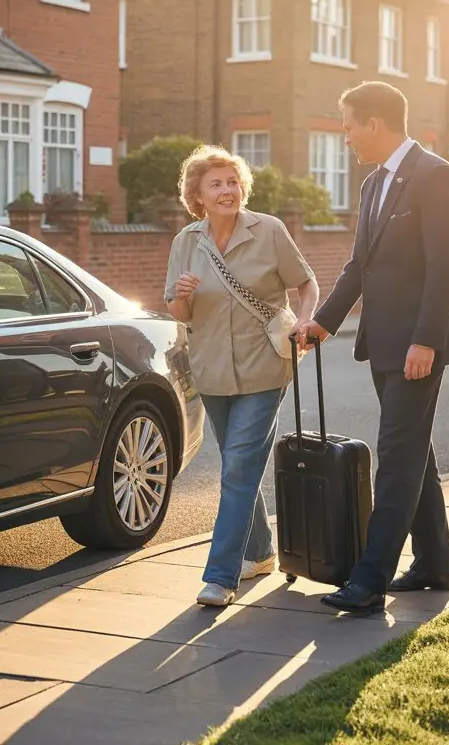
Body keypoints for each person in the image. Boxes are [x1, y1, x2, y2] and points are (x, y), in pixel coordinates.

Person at [297, 81, 449, 614]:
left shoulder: (437, 177)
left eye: (348, 125)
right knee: (416, 453)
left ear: (375, 123)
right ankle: (434, 564)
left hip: (418, 345)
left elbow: (447, 268)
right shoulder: (374, 184)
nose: (345, 136)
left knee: (396, 456)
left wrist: (426, 340)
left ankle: (370, 581)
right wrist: (321, 324)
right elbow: (359, 267)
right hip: (383, 342)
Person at [164, 144, 320, 607]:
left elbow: (306, 282)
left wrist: (308, 321)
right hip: (211, 369)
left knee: (237, 467)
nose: (228, 190)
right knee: (239, 464)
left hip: (265, 365)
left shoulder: (268, 230)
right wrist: (182, 293)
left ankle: (221, 576)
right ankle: (260, 551)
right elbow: (178, 310)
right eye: (217, 184)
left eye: (233, 182)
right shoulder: (186, 242)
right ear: (198, 194)